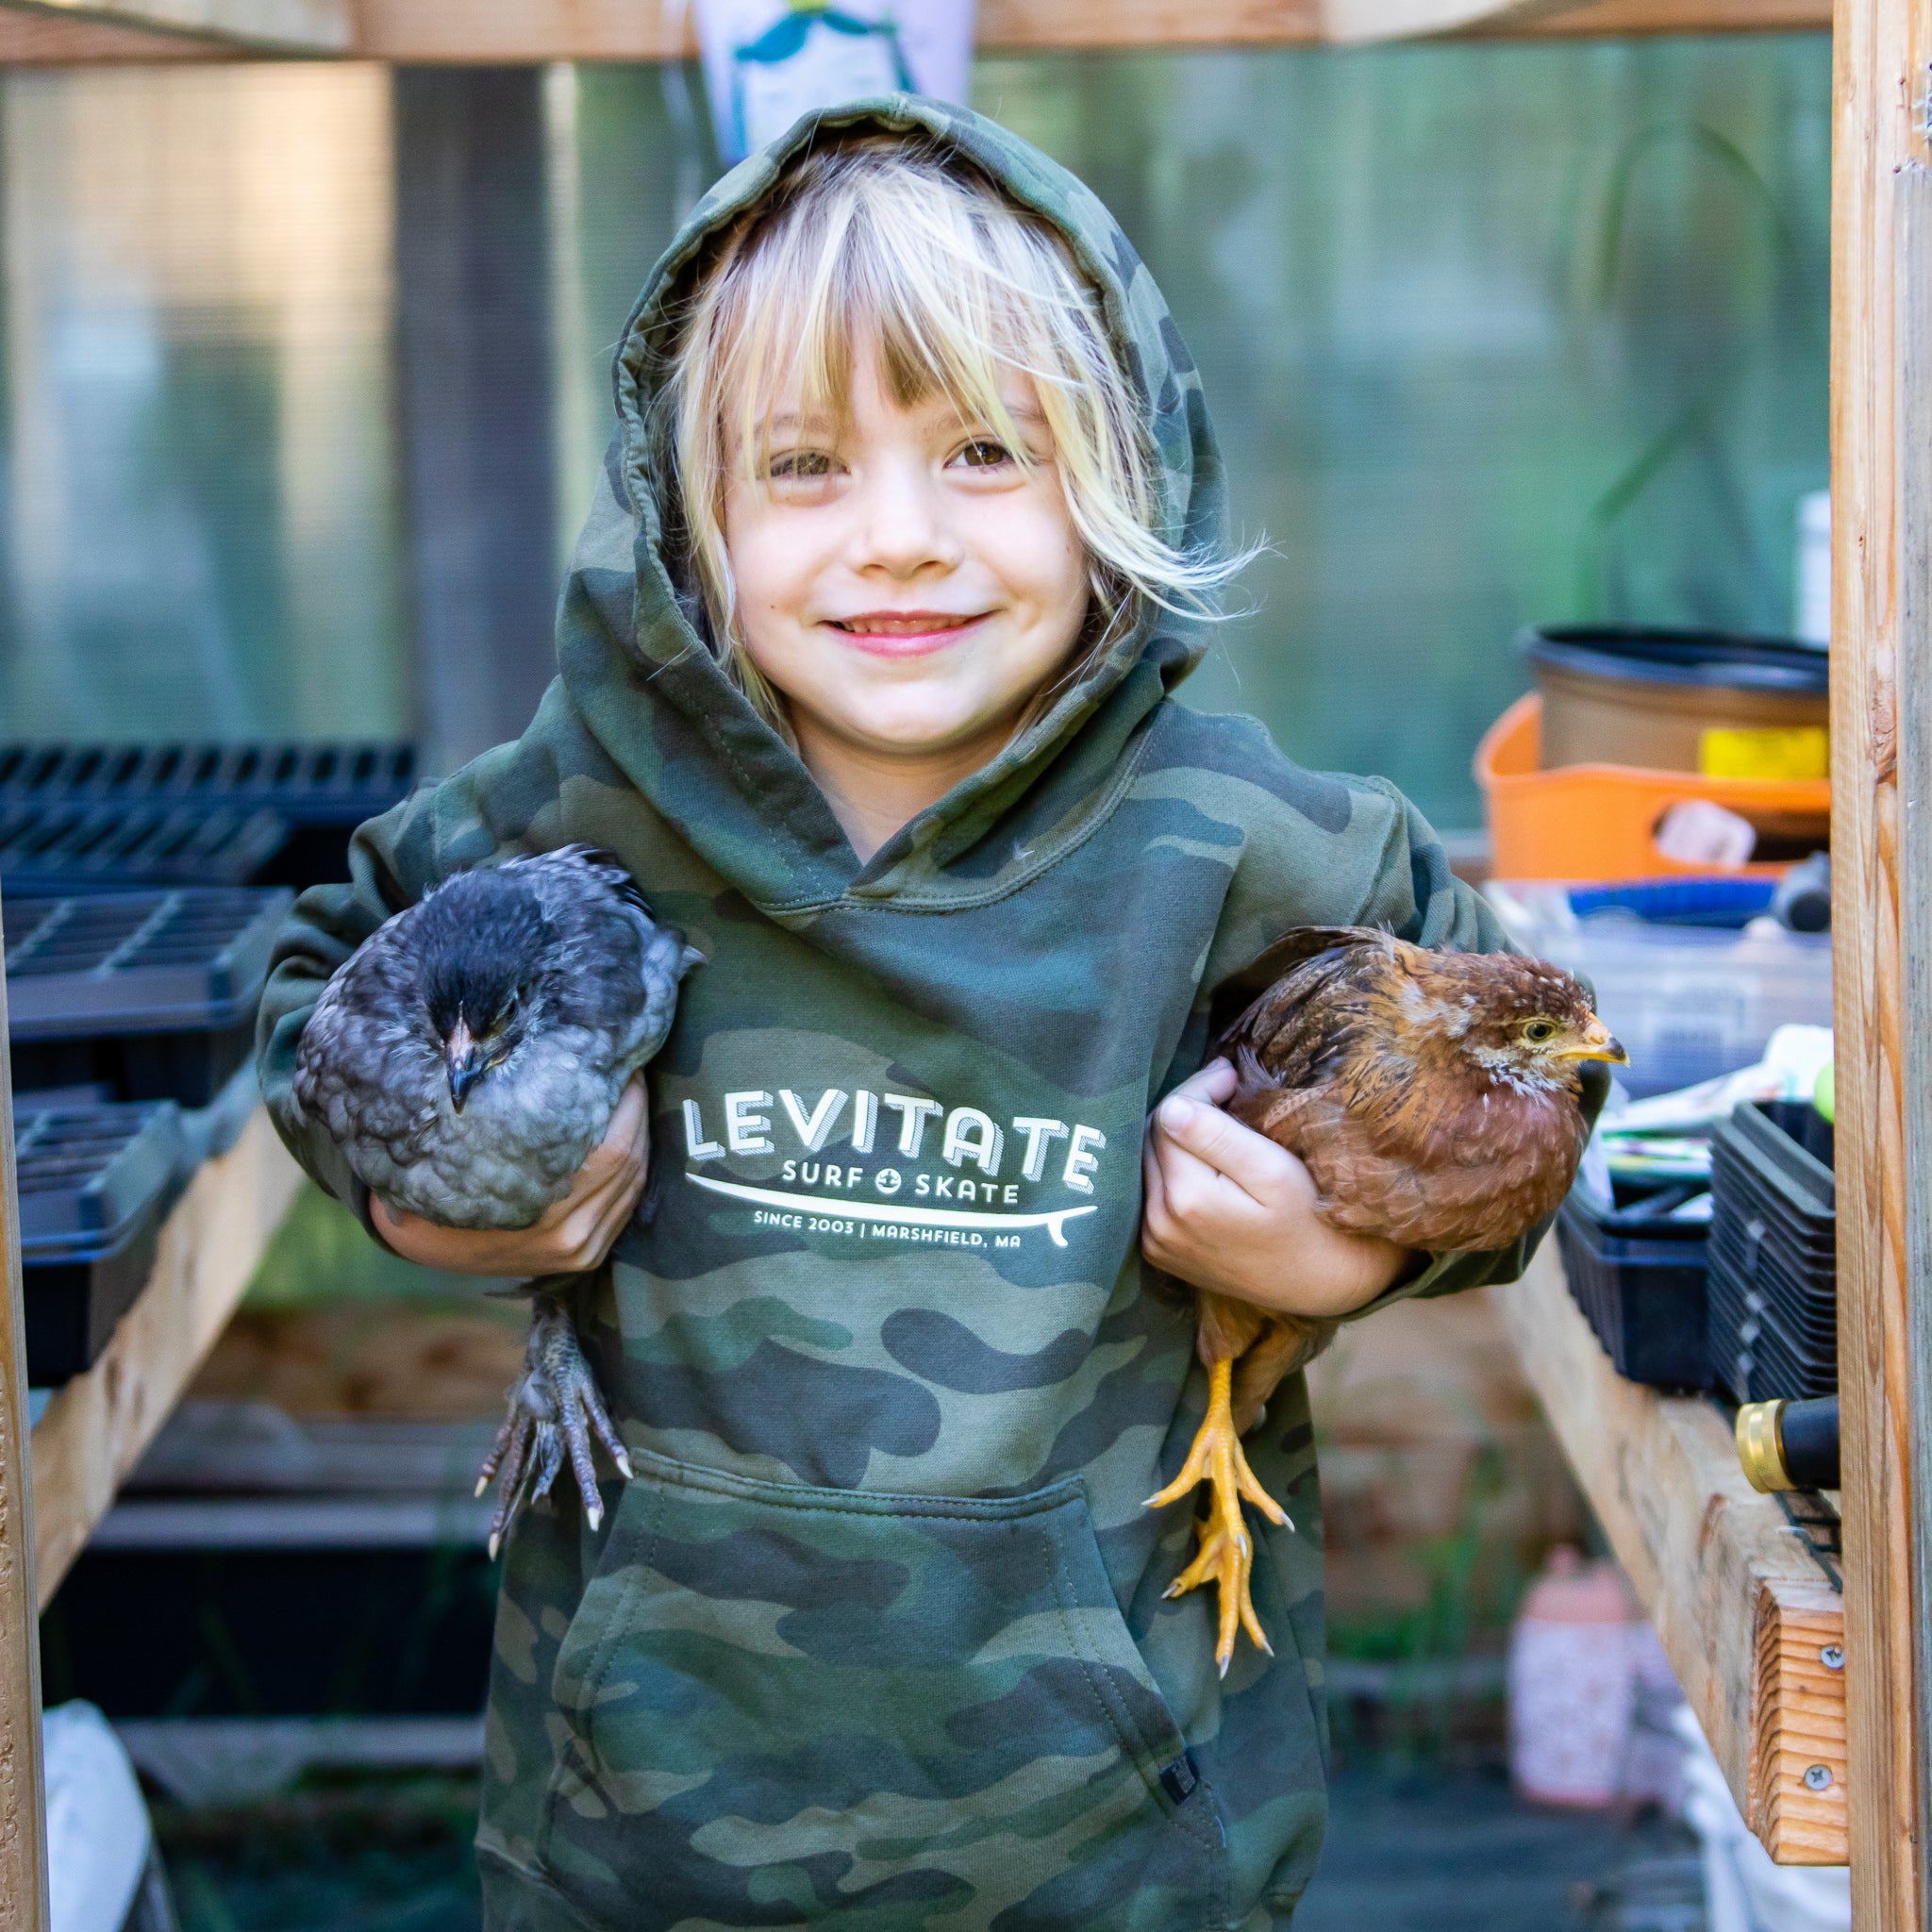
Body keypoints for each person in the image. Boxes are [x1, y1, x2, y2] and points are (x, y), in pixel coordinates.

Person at [258, 98, 1536, 1932]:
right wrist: (419, 1182)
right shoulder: (577, 812)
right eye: (802, 467)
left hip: (1114, 1849)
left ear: (1120, 466)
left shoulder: (1235, 839)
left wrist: (1354, 1256)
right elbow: (312, 982)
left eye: (985, 454)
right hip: (652, 1833)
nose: (901, 539)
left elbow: (1533, 1098)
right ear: (688, 500)